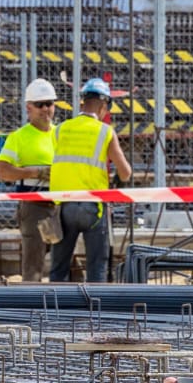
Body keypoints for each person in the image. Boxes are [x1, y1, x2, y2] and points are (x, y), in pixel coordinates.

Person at [47, 77, 133, 283]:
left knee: (58, 268)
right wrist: (116, 181)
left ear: (82, 102)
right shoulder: (105, 131)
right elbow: (125, 172)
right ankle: (96, 311)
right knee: (97, 266)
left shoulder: (60, 129)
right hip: (93, 208)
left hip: (63, 207)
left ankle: (54, 310)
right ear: (104, 106)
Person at [0, 79, 61, 280]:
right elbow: (2, 170)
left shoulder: (61, 134)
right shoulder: (19, 137)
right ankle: (31, 302)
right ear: (28, 107)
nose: (45, 109)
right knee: (34, 262)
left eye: (49, 104)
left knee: (62, 260)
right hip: (34, 207)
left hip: (59, 207)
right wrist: (34, 172)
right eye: (40, 105)